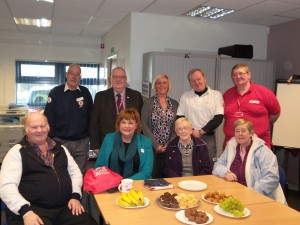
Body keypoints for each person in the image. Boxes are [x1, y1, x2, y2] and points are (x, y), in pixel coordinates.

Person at [0, 112, 97, 225]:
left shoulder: (60, 149)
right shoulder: (17, 152)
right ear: (26, 130)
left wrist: (75, 196)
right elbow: (7, 186)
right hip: (33, 210)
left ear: (48, 128)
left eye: (42, 126)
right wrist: (25, 211)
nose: (39, 130)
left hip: (65, 207)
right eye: (34, 127)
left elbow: (75, 173)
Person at [213, 118, 286, 204]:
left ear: (251, 133)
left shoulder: (264, 151)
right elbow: (218, 165)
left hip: (258, 198)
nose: (240, 134)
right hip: (233, 195)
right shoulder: (231, 147)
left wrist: (250, 193)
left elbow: (272, 178)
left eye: (243, 131)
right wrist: (226, 173)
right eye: (237, 131)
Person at [44, 64, 93, 174]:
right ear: (66, 75)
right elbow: (48, 117)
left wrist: (89, 137)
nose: (74, 77)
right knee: (61, 171)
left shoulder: (85, 92)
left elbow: (91, 116)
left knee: (80, 174)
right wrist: (51, 139)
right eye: (71, 73)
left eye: (77, 74)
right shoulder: (55, 92)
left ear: (80, 77)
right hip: (61, 141)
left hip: (82, 142)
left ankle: (78, 192)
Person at [223, 63, 280, 148]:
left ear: (249, 75)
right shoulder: (227, 94)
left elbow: (275, 113)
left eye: (241, 73)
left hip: (258, 145)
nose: (238, 77)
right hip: (232, 145)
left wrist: (263, 125)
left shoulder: (264, 92)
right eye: (235, 74)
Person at [90, 67, 143, 155]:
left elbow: (140, 121)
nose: (118, 79)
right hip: (107, 144)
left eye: (121, 77)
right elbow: (94, 122)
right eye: (114, 77)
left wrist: (140, 142)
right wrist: (95, 145)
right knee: (109, 168)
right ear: (110, 79)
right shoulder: (100, 97)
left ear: (125, 79)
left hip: (131, 142)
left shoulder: (136, 96)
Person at [177, 68, 224, 163]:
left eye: (199, 79)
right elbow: (180, 117)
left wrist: (201, 131)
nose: (196, 82)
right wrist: (191, 131)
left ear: (204, 78)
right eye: (193, 81)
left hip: (208, 137)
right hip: (188, 137)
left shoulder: (216, 95)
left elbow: (218, 117)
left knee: (208, 165)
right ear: (190, 83)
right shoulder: (185, 96)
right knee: (188, 165)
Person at [94, 108, 153, 180]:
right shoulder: (109, 138)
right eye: (123, 122)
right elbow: (99, 166)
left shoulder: (146, 142)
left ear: (136, 125)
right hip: (111, 184)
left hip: (137, 184)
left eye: (131, 123)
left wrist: (126, 182)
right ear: (118, 124)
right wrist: (112, 180)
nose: (127, 126)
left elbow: (146, 172)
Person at [141, 74, 178, 178]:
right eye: (159, 83)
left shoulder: (175, 104)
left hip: (169, 147)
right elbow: (143, 124)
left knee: (168, 175)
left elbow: (178, 126)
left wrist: (169, 143)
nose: (162, 85)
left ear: (168, 85)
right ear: (155, 86)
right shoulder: (148, 103)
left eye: (164, 83)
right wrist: (155, 144)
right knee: (152, 174)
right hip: (152, 147)